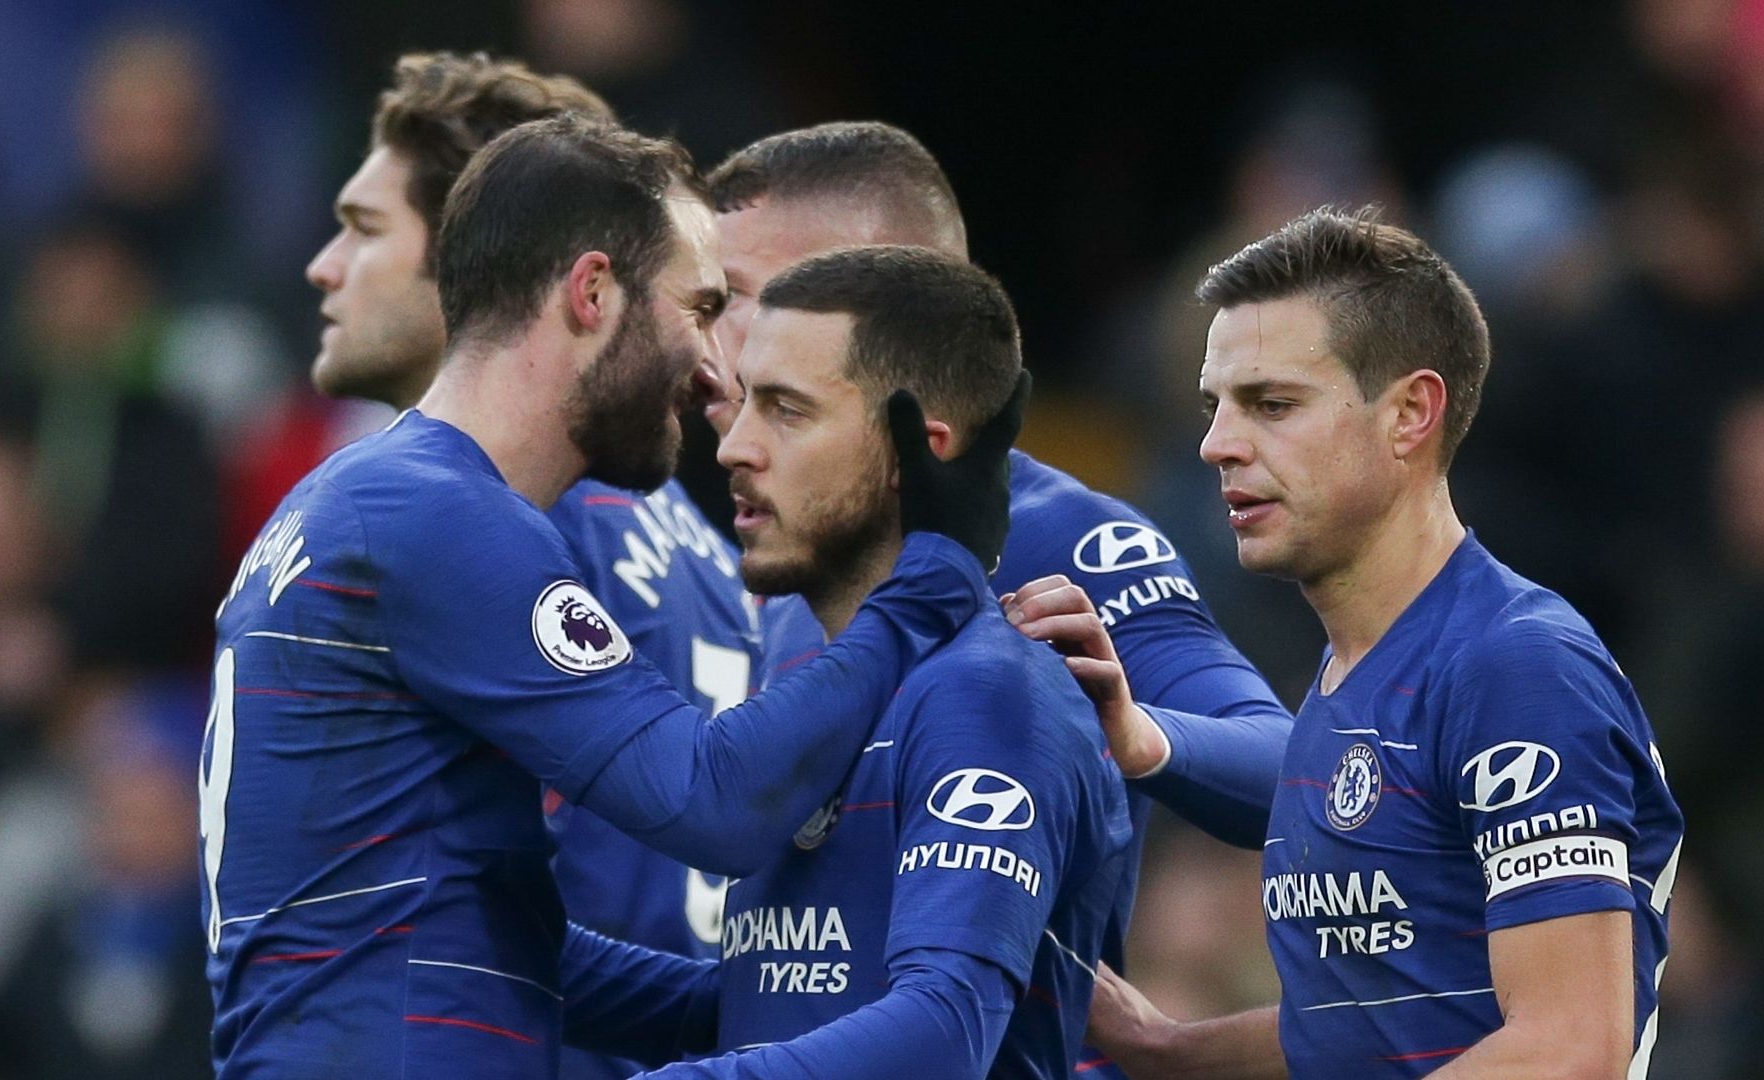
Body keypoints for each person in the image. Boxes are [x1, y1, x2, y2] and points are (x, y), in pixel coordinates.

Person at [199, 114, 1023, 1077]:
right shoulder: (436, 518)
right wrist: (931, 574)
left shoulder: (361, 502)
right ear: (593, 293)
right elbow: (711, 803)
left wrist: (793, 1000)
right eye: (700, 308)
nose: (715, 367)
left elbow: (508, 949)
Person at [700, 122, 1292, 1073]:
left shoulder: (1060, 536)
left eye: (732, 297)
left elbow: (1290, 771)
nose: (703, 340)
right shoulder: (795, 561)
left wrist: (1141, 735)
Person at [1044, 207, 1683, 1077]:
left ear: (1411, 414)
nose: (1217, 445)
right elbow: (1374, 1022)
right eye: (1215, 407)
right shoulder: (1351, 673)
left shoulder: (1516, 666)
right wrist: (1166, 1048)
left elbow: (1570, 1047)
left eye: (1272, 405)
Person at [301, 54, 755, 1078]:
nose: (325, 264)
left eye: (366, 229)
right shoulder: (671, 531)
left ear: (472, 250)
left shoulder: (503, 533)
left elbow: (516, 933)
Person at [578, 244, 1131, 1079]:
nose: (733, 448)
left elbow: (940, 1035)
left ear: (920, 453)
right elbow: (762, 1004)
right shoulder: (824, 680)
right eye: (745, 402)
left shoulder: (987, 693)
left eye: (786, 410)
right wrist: (486, 932)